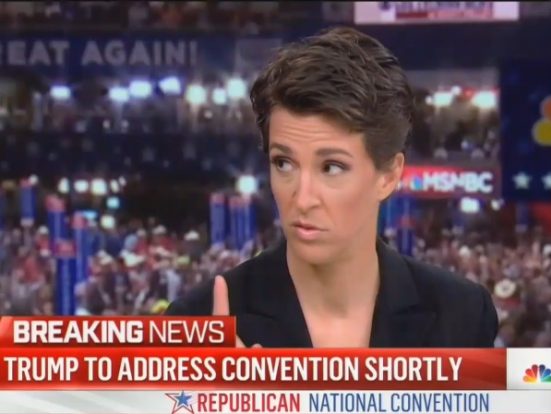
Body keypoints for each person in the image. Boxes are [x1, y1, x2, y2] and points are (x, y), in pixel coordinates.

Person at [166, 27, 499, 348]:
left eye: (331, 167)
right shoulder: (196, 322)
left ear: (388, 175)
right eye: (284, 163)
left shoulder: (461, 315)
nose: (303, 199)